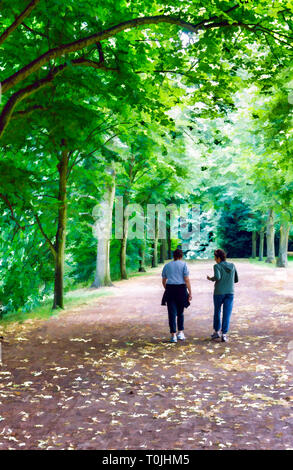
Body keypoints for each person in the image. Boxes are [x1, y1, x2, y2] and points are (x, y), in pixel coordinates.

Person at [207, 249, 238, 343]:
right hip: (230, 292)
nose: (214, 259)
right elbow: (236, 279)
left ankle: (216, 331)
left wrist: (211, 278)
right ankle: (224, 334)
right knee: (227, 313)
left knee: (217, 311)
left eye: (215, 257)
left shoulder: (217, 266)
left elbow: (218, 277)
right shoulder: (232, 265)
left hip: (219, 292)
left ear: (219, 258)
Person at [162, 248, 192, 343]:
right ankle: (180, 333)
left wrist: (167, 289)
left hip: (170, 289)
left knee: (171, 313)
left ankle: (173, 335)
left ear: (173, 256)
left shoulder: (167, 266)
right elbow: (186, 279)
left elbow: (164, 280)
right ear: (181, 256)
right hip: (181, 289)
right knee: (180, 312)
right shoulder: (184, 265)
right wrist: (190, 292)